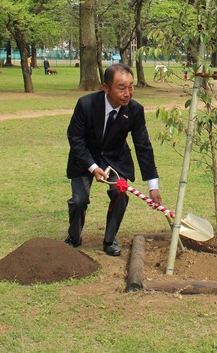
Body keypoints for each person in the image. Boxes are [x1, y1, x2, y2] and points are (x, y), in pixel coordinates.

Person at [65, 63, 161, 256]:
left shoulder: (135, 110)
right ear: (106, 88)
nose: (128, 93)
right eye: (121, 88)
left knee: (119, 193)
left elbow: (143, 146)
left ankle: (110, 240)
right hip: (85, 158)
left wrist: (153, 185)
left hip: (115, 159)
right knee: (78, 200)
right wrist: (92, 167)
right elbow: (75, 138)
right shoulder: (86, 104)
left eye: (131, 87)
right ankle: (74, 237)